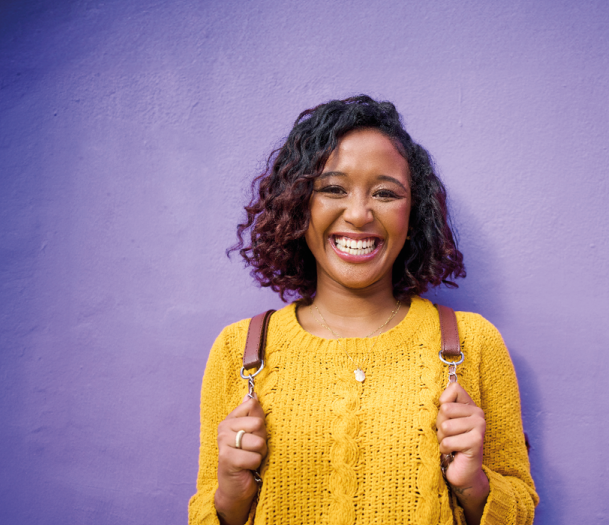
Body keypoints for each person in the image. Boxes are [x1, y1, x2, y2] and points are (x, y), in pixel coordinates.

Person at [187, 96, 537, 524]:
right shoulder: (238, 350)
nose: (358, 214)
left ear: (415, 213)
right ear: (299, 204)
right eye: (333, 189)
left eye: (386, 193)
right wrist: (231, 494)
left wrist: (473, 486)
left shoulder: (473, 342)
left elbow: (523, 509)